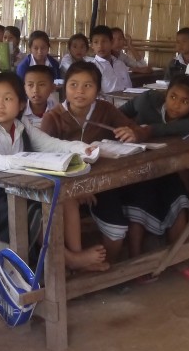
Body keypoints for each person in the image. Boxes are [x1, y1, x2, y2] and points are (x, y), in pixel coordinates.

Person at [0, 72, 105, 272]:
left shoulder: (21, 125)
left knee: (65, 198)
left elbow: (49, 144)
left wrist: (82, 148)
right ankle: (68, 259)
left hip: (14, 188)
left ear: (20, 104)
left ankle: (76, 255)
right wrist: (22, 162)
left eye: (8, 98)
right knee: (37, 211)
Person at [40, 61, 150, 266]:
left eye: (88, 86)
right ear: (65, 88)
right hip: (67, 190)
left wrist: (134, 133)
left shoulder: (105, 110)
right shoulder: (53, 118)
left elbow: (138, 129)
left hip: (104, 185)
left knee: (117, 232)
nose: (80, 91)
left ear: (98, 90)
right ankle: (80, 264)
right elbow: (42, 160)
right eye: (73, 85)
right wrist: (78, 187)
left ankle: (104, 269)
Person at [116, 73, 189, 279]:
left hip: (165, 171)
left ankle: (179, 257)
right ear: (166, 93)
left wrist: (147, 130)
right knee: (140, 200)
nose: (176, 105)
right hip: (135, 172)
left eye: (185, 102)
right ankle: (135, 261)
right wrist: (129, 129)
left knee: (179, 198)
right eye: (173, 96)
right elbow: (118, 114)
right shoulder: (147, 100)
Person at [89, 25, 132, 94]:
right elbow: (93, 95)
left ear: (111, 43)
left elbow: (129, 88)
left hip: (126, 102)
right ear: (92, 46)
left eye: (104, 41)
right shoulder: (92, 68)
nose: (100, 46)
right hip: (106, 104)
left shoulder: (120, 64)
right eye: (96, 42)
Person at [22, 64, 60, 129]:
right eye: (30, 85)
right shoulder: (19, 112)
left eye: (41, 85)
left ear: (52, 87)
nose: (35, 90)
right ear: (24, 88)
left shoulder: (58, 112)